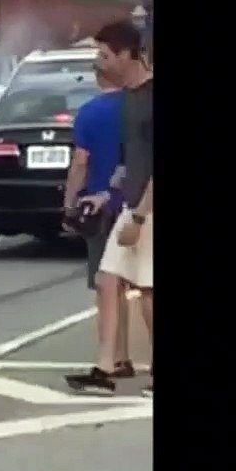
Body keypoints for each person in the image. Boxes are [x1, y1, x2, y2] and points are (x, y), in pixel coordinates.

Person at [65, 20, 154, 397]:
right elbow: (131, 161)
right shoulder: (131, 99)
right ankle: (104, 369)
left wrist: (137, 215)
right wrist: (109, 194)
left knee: (149, 291)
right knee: (106, 279)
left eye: (104, 55)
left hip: (148, 208)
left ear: (125, 54)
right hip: (129, 202)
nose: (99, 63)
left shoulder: (150, 98)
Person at [61, 67, 133, 381]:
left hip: (101, 207)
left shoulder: (90, 113)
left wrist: (69, 204)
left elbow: (80, 162)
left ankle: (117, 357)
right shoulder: (137, 108)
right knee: (143, 286)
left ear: (97, 77)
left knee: (108, 286)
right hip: (137, 202)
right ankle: (122, 357)